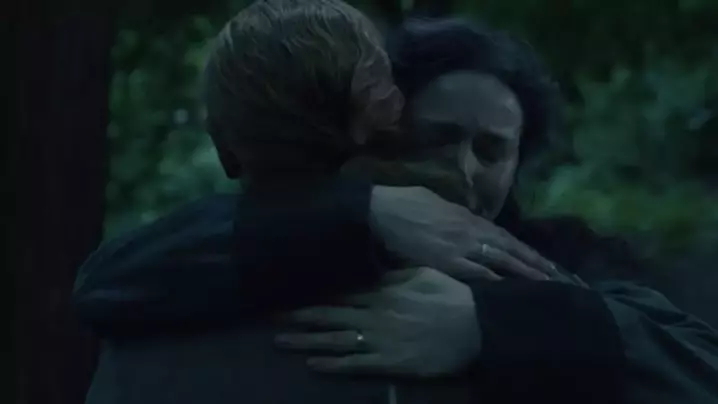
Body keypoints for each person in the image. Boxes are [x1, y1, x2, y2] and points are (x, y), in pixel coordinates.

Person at [73, 5, 716, 404]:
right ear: (382, 126)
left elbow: (696, 364)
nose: (464, 167)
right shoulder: (239, 241)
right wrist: (365, 216)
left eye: (492, 150)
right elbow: (110, 280)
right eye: (440, 136)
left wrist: (489, 325)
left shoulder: (566, 257)